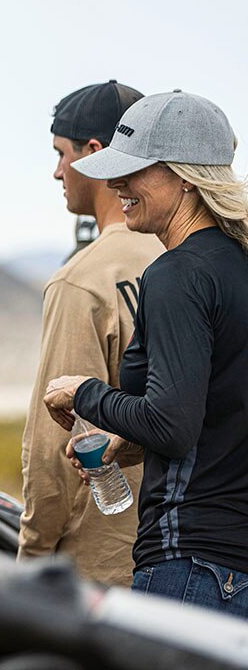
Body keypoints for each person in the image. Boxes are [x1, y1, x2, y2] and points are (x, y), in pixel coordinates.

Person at [45, 90, 248, 616]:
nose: (116, 184)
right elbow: (215, 414)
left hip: (192, 563)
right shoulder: (235, 266)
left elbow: (173, 425)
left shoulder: (178, 274)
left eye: (133, 169)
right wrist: (126, 440)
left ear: (185, 177)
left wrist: (84, 393)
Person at [18, 81, 163, 586]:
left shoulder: (82, 280)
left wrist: (32, 555)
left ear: (94, 152)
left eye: (62, 153)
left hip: (106, 558)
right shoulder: (190, 259)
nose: (57, 172)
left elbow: (53, 446)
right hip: (191, 547)